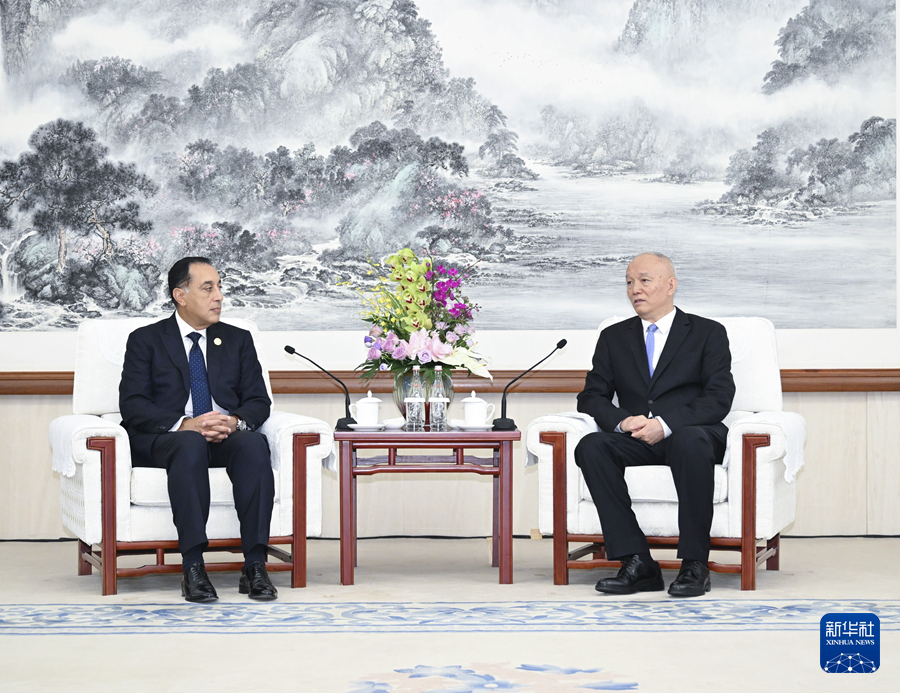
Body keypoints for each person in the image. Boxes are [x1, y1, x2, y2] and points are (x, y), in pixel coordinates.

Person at [575, 252, 735, 598]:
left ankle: (694, 564)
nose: (635, 289)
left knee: (690, 441)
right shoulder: (613, 337)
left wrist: (666, 424)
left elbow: (719, 398)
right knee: (591, 446)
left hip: (691, 433)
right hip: (638, 437)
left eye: (644, 280)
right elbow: (591, 397)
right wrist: (622, 421)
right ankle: (637, 562)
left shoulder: (707, 332)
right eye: (629, 282)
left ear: (671, 285)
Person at [119, 256, 277, 603]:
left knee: (253, 444)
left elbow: (258, 400)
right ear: (181, 295)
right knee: (189, 443)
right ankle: (193, 567)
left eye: (219, 287)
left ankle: (255, 565)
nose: (218, 296)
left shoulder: (237, 339)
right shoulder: (146, 340)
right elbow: (133, 405)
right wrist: (185, 424)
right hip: (166, 440)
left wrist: (234, 422)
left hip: (222, 435)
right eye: (208, 288)